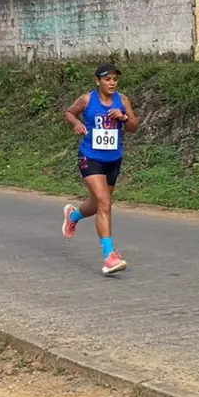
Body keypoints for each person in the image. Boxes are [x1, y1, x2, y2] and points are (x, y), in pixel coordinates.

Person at [61, 63, 136, 276]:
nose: (111, 83)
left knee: (97, 204)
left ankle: (73, 216)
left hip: (113, 158)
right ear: (98, 81)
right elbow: (69, 112)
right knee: (104, 202)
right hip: (90, 156)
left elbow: (134, 126)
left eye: (114, 79)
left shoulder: (122, 101)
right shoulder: (87, 99)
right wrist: (76, 123)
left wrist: (123, 118)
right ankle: (109, 256)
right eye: (107, 79)